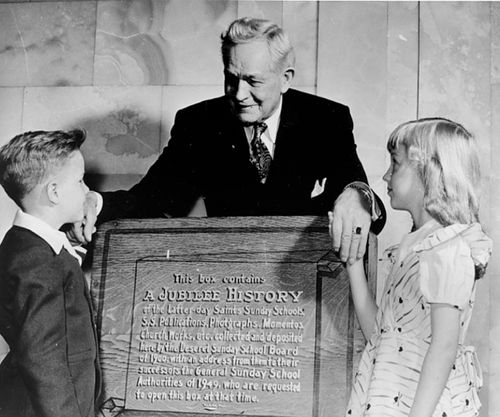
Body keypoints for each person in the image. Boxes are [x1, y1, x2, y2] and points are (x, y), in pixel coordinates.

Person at [72, 17, 385, 264]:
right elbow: (154, 198)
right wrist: (97, 203)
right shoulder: (198, 123)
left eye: (253, 81)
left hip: (303, 279)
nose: (239, 94)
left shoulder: (326, 118)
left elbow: (353, 183)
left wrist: (357, 196)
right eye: (231, 78)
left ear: (285, 78)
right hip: (228, 281)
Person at [345, 118, 492, 416]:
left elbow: (444, 346)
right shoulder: (411, 247)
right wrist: (352, 264)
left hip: (422, 405)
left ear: (429, 171)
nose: (385, 176)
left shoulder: (446, 248)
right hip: (389, 394)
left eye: (395, 164)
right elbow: (379, 334)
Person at [0, 130, 100, 417]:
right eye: (80, 181)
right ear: (54, 192)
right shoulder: (39, 261)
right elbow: (43, 359)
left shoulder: (24, 245)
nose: (87, 191)